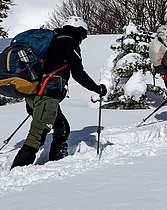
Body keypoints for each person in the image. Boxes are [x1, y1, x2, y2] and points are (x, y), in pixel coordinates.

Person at [11, 16, 107, 169]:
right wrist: (97, 88)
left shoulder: (53, 40)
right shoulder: (69, 42)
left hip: (33, 94)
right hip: (46, 96)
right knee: (37, 135)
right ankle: (17, 171)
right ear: (79, 31)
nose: (82, 39)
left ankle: (57, 163)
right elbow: (78, 72)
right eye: (83, 35)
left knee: (62, 128)